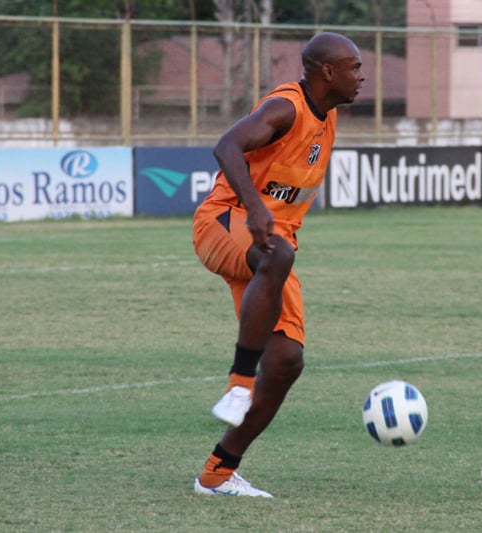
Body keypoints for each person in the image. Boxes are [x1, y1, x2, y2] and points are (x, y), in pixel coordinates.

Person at [191, 32, 365, 498]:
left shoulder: (326, 119)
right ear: (327, 71)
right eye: (354, 66)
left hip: (270, 248)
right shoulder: (286, 107)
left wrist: (270, 221)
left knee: (288, 361)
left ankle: (217, 472)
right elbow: (227, 145)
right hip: (223, 223)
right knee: (278, 253)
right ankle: (238, 384)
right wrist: (257, 207)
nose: (361, 75)